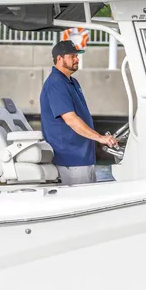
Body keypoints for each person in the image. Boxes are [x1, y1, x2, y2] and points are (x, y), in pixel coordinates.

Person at [40, 40, 119, 185]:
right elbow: (71, 119)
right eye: (72, 56)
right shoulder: (56, 84)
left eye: (77, 55)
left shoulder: (72, 82)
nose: (77, 59)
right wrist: (99, 137)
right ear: (59, 58)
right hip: (70, 159)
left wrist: (98, 140)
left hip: (83, 157)